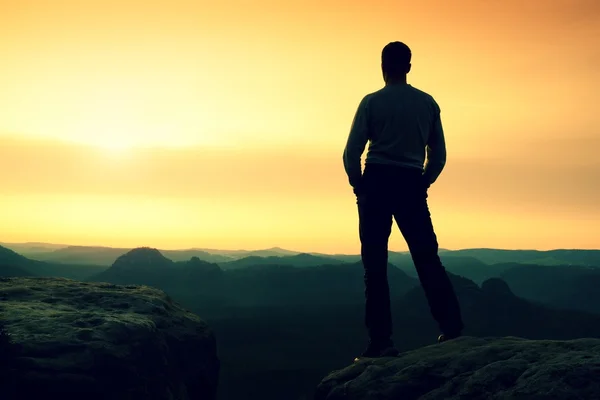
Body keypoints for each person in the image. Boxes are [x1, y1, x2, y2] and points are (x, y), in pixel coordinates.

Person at [343, 41, 464, 359]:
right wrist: (423, 181)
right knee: (427, 259)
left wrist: (359, 186)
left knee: (375, 266)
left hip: (377, 182)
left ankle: (381, 342)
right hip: (411, 183)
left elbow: (351, 152)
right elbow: (438, 155)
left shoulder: (372, 103)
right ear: (408, 66)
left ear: (383, 66)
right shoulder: (427, 103)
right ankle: (452, 329)